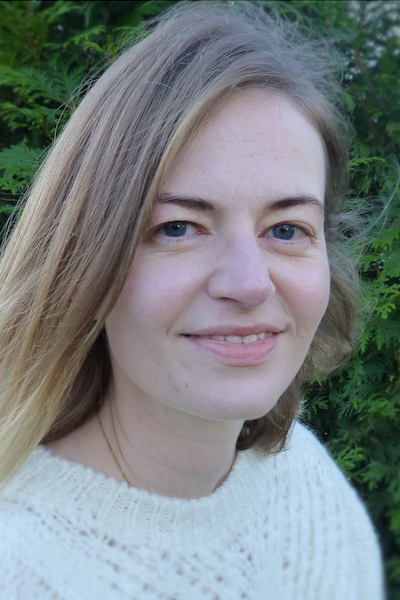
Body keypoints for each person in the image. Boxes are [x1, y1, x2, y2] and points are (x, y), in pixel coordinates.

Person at [0, 2, 383, 599]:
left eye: (286, 229)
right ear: (85, 263)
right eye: (178, 228)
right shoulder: (19, 567)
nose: (250, 284)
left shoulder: (309, 488)